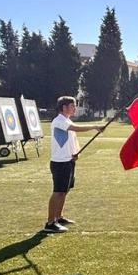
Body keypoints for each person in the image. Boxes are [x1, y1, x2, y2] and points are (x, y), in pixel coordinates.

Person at [44, 96, 105, 234]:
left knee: (64, 191)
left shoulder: (66, 120)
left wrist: (75, 153)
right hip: (60, 163)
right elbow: (75, 128)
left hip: (68, 161)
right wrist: (95, 126)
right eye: (72, 106)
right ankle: (50, 222)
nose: (74, 108)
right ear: (64, 108)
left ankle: (58, 217)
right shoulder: (59, 121)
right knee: (58, 191)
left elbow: (71, 140)